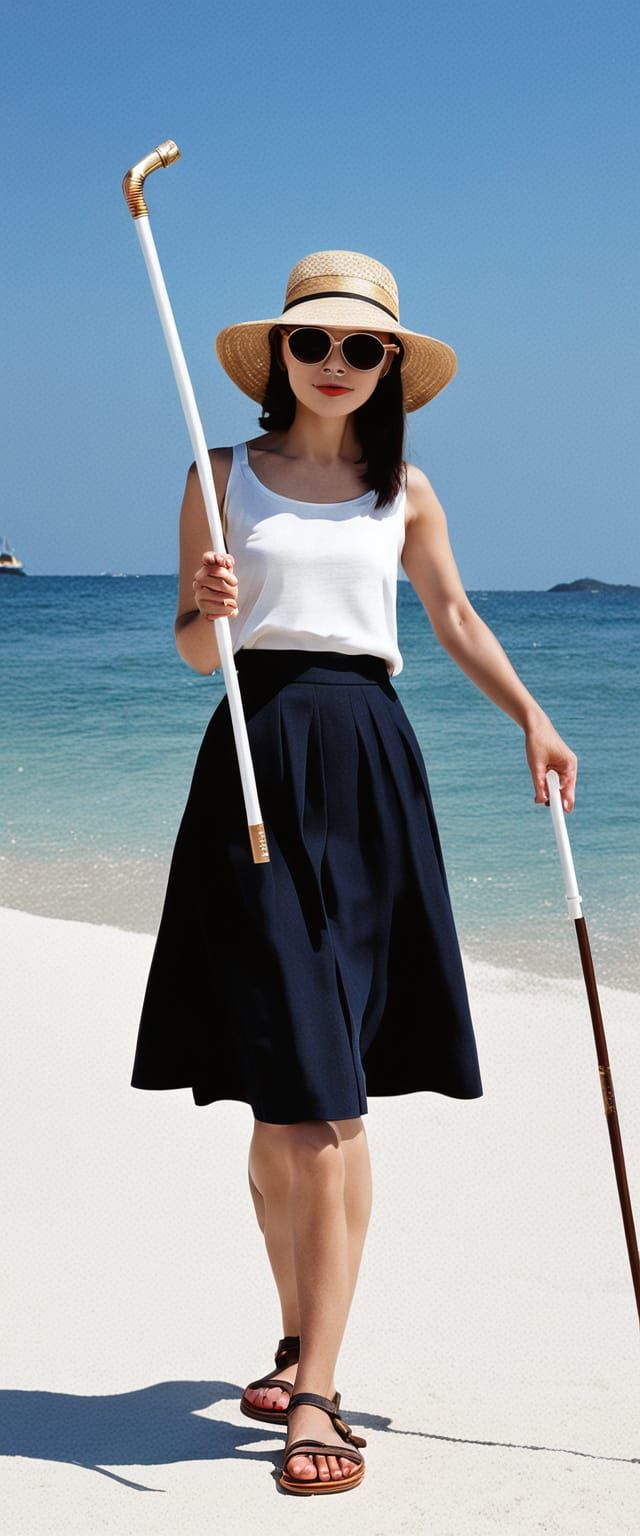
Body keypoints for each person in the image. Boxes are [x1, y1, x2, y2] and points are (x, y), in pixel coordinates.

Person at [130, 250, 578, 1495]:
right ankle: (296, 1334)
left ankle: (314, 1384)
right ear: (277, 356)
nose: (333, 364)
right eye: (311, 344)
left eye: (360, 348)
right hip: (253, 767)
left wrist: (532, 721)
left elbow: (454, 621)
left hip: (370, 768)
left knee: (328, 1103)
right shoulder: (215, 477)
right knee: (288, 1098)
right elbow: (188, 647)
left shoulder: (406, 494)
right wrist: (209, 611)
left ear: (390, 370)